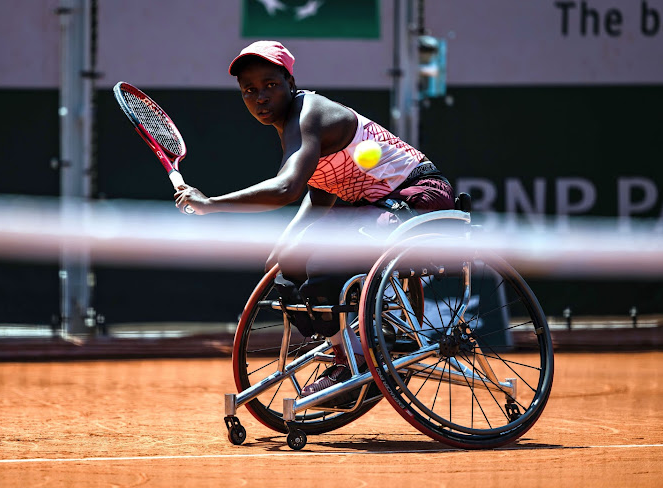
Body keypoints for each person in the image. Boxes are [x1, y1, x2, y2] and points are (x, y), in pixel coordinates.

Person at [175, 40, 454, 396]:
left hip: (419, 196)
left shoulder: (309, 113)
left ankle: (366, 353)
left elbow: (288, 188)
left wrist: (211, 203)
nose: (260, 97)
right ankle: (349, 355)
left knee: (324, 263)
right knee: (288, 268)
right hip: (371, 208)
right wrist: (286, 246)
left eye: (270, 85)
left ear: (290, 83)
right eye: (249, 91)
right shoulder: (292, 127)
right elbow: (320, 195)